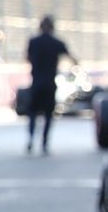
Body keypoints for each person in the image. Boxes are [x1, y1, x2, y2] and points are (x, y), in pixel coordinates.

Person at [26, 16, 77, 155]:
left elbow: (28, 58)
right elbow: (72, 59)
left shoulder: (34, 41)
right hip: (49, 83)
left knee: (32, 112)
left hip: (36, 82)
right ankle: (44, 142)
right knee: (48, 114)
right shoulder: (56, 43)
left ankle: (31, 138)